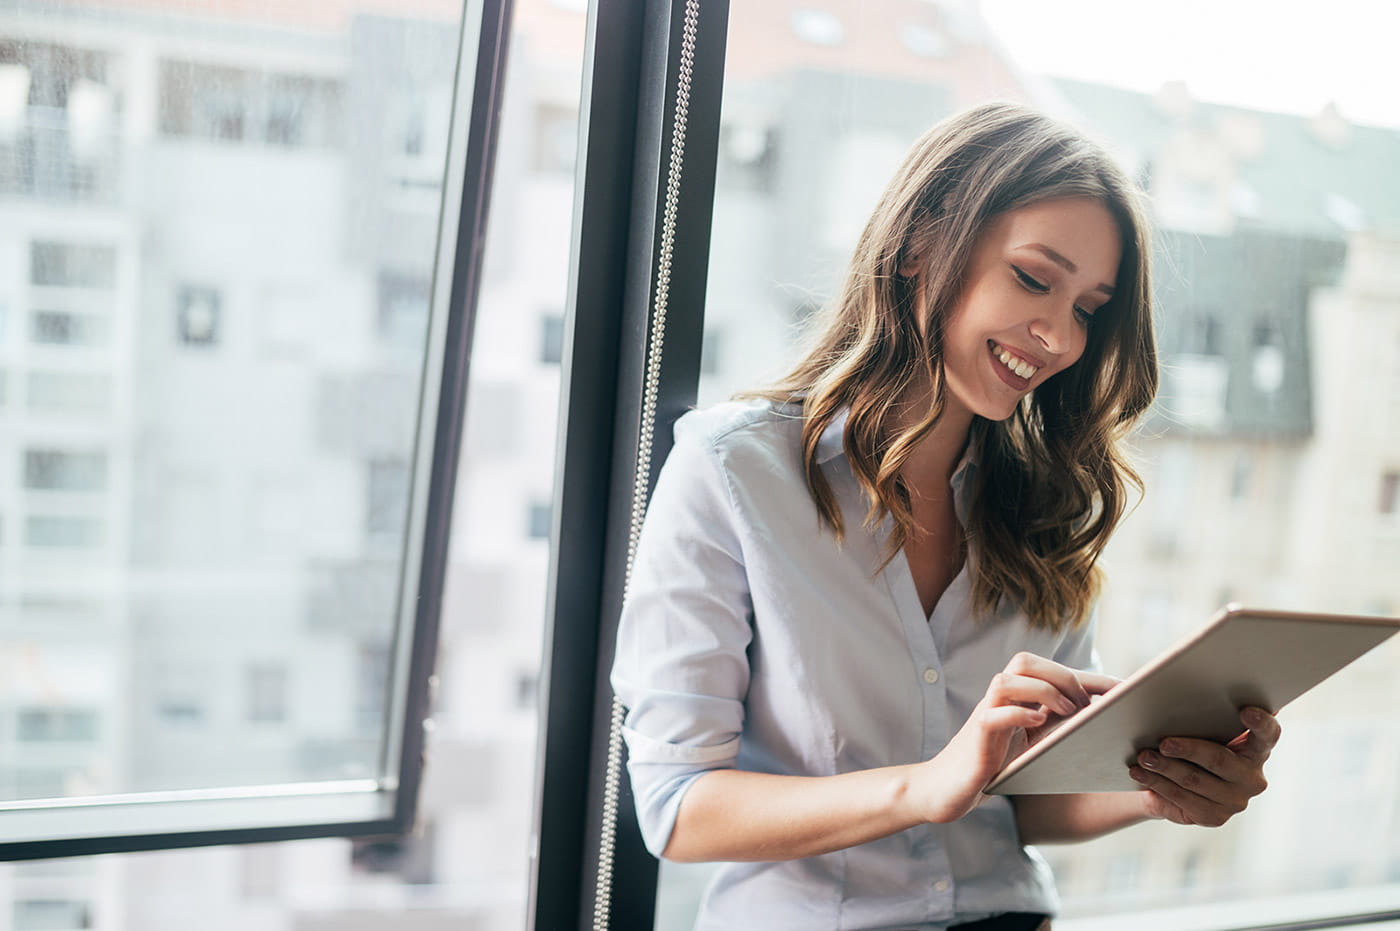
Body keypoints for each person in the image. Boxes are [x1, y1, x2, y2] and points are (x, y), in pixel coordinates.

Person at [610, 102, 1279, 931]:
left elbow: (1026, 804)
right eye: (1036, 278)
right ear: (923, 244)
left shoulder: (1045, 507)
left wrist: (1159, 790)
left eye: (1087, 307)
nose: (1059, 336)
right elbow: (676, 806)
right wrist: (926, 783)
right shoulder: (732, 471)